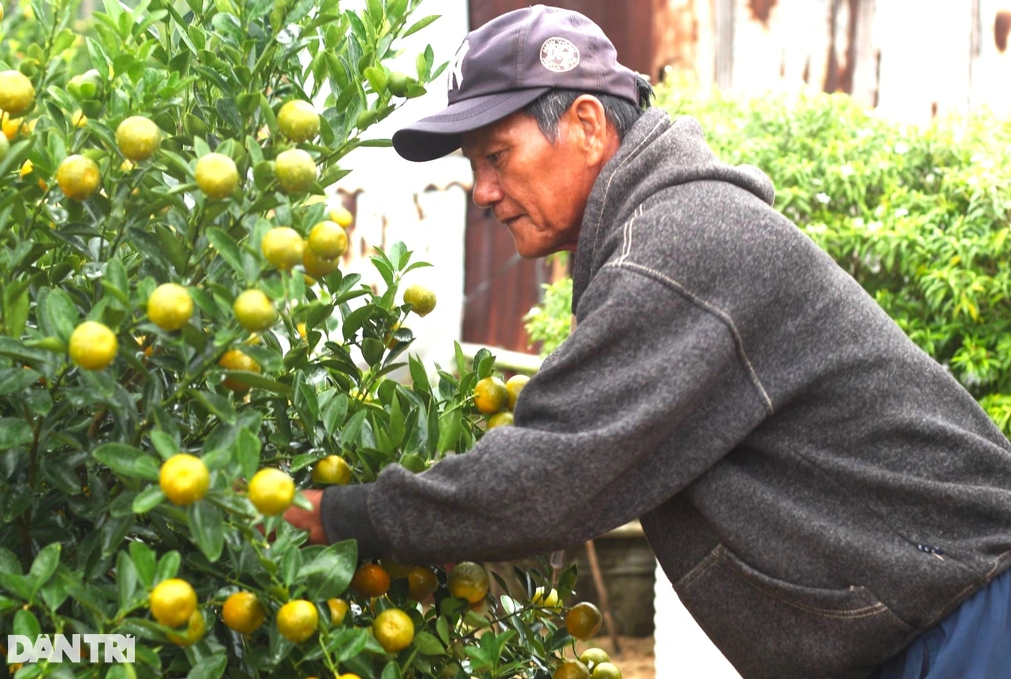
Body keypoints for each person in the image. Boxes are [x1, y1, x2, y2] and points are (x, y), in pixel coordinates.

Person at [285, 5, 1011, 678]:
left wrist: (333, 516)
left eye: (497, 156)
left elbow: (551, 472)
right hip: (925, 617)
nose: (482, 191)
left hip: (963, 614)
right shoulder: (656, 234)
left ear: (587, 125)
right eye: (473, 166)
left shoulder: (678, 245)